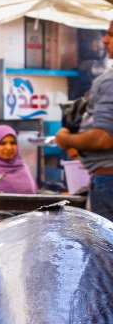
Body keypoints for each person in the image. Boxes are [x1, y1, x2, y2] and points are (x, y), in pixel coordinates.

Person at [57, 22, 113, 219]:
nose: (104, 40)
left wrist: (65, 139)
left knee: (106, 248)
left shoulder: (110, 80)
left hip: (109, 180)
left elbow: (102, 139)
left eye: (110, 35)